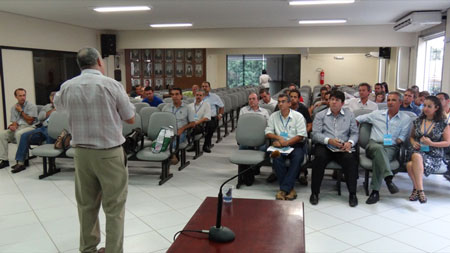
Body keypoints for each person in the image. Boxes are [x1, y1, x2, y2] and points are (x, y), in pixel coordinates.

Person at [54, 47, 135, 253]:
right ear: (99, 61)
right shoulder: (112, 85)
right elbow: (130, 117)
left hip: (81, 154)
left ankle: (88, 249)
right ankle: (113, 251)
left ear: (79, 64)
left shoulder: (67, 86)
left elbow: (60, 108)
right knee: (114, 206)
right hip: (109, 153)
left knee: (86, 205)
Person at [356, 92, 412, 204]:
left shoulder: (406, 118)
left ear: (400, 102)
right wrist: (354, 128)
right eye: (389, 100)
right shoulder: (377, 114)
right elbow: (358, 118)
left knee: (379, 158)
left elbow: (401, 138)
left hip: (390, 147)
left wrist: (393, 141)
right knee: (379, 149)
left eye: (394, 100)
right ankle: (388, 179)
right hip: (373, 144)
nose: (390, 102)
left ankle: (375, 192)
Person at [310, 90, 359, 207]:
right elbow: (315, 134)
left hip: (342, 146)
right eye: (332, 100)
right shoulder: (320, 115)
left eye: (337, 100)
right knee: (319, 158)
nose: (333, 102)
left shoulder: (349, 115)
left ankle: (352, 194)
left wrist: (350, 143)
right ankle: (314, 193)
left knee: (350, 159)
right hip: (325, 145)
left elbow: (355, 133)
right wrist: (329, 140)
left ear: (342, 103)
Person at [406, 96, 450, 203]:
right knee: (416, 155)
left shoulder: (443, 123)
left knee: (409, 165)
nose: (425, 108)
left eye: (429, 106)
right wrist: (413, 142)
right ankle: (421, 191)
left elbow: (448, 142)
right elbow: (411, 137)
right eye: (424, 105)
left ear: (436, 108)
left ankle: (416, 189)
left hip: (434, 155)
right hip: (418, 150)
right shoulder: (418, 121)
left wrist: (431, 143)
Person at [265, 94, 307, 200]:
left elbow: (301, 135)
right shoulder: (273, 116)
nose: (280, 104)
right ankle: (290, 189)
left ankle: (284, 189)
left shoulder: (298, 116)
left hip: (294, 145)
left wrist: (286, 143)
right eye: (279, 101)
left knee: (298, 158)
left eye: (283, 101)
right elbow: (268, 132)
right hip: (279, 146)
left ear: (289, 103)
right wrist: (277, 137)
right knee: (276, 158)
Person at [10, 92, 57, 173]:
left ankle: (51, 164)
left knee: (50, 138)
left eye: (55, 99)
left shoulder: (64, 107)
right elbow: (40, 117)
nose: (53, 101)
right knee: (24, 136)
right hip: (43, 127)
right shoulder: (47, 107)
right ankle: (21, 163)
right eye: (52, 99)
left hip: (54, 129)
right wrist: (53, 110)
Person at [0, 88, 37, 169]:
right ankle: (4, 160)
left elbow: (30, 121)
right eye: (20, 96)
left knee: (19, 134)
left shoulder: (31, 106)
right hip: (19, 127)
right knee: (2, 134)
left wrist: (21, 111)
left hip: (30, 127)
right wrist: (12, 126)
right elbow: (14, 122)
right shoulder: (14, 107)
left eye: (24, 95)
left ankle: (22, 161)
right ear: (16, 97)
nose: (22, 97)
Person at [162, 88, 195, 164]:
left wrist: (183, 128)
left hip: (181, 131)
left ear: (181, 96)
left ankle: (170, 157)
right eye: (172, 94)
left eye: (177, 94)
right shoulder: (166, 107)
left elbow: (193, 123)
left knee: (172, 142)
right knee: (160, 141)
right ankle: (172, 156)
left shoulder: (187, 108)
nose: (174, 96)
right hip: (168, 130)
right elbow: (162, 120)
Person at [202, 81, 224, 153]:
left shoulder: (215, 97)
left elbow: (221, 106)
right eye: (203, 86)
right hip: (200, 118)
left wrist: (220, 114)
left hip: (211, 117)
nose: (204, 88)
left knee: (210, 126)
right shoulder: (199, 96)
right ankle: (194, 145)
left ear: (210, 88)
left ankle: (206, 145)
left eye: (206, 86)